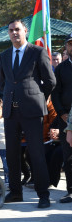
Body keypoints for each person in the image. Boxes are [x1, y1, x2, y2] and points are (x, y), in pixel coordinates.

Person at [0, 19, 56, 208]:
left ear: (25, 31)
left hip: (32, 111)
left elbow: (50, 81)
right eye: (11, 30)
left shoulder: (37, 52)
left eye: (17, 30)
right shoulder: (5, 55)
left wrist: (38, 97)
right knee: (12, 154)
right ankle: (15, 192)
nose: (14, 33)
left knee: (36, 153)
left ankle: (43, 194)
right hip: (10, 112)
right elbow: (2, 84)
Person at [51, 33, 72, 203]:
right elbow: (55, 93)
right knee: (68, 155)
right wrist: (62, 113)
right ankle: (71, 190)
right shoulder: (61, 68)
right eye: (70, 44)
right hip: (65, 119)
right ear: (66, 47)